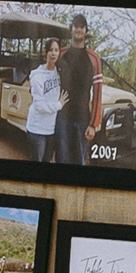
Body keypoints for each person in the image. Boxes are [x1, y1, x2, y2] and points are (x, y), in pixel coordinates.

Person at [56, 15, 99, 169]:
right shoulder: (61, 54)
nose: (79, 29)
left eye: (82, 26)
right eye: (76, 26)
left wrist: (93, 124)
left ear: (86, 31)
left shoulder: (94, 59)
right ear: (71, 29)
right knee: (61, 159)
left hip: (83, 119)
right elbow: (50, 79)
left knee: (79, 162)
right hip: (62, 118)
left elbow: (98, 92)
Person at [24, 40, 64, 163]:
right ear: (45, 53)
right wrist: (59, 105)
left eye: (56, 50)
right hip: (37, 129)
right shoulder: (37, 75)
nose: (54, 53)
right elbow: (39, 105)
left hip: (51, 129)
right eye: (51, 50)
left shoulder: (59, 73)